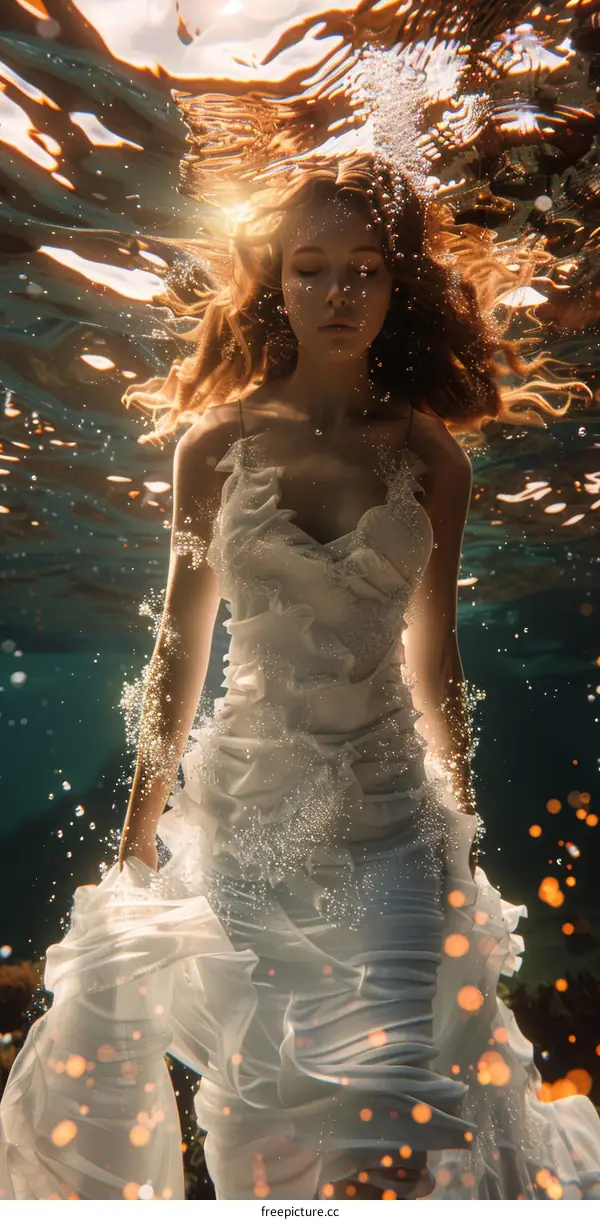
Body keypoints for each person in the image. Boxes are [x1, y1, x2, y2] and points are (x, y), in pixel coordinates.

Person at [1, 154, 599, 1202]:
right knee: (260, 1110)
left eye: (363, 268)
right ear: (274, 282)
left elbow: (435, 653)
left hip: (392, 818)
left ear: (394, 281)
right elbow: (176, 652)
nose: (339, 294)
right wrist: (139, 829)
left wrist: (458, 809)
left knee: (403, 1103)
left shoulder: (432, 457)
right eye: (312, 269)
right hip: (247, 814)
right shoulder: (214, 444)